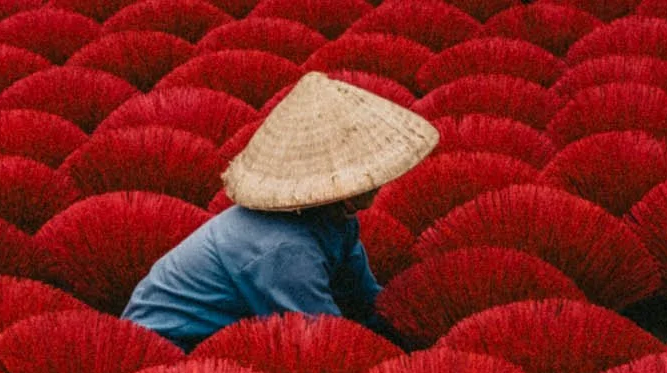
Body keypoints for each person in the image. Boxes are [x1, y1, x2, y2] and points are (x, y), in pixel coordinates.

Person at [121, 72, 439, 349]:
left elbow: (363, 296)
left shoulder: (337, 219)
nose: (378, 178)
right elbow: (322, 337)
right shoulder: (285, 249)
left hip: (228, 333)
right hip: (167, 349)